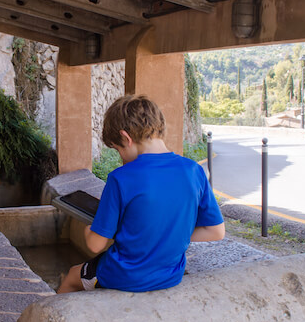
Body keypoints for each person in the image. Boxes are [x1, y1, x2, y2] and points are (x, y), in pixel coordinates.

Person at [57, 95, 224, 293]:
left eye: (118, 149)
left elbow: (95, 244)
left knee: (72, 276)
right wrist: (167, 234)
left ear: (126, 138)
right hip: (170, 275)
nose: (121, 158)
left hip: (124, 275)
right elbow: (216, 232)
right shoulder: (194, 170)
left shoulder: (121, 178)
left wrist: (89, 228)